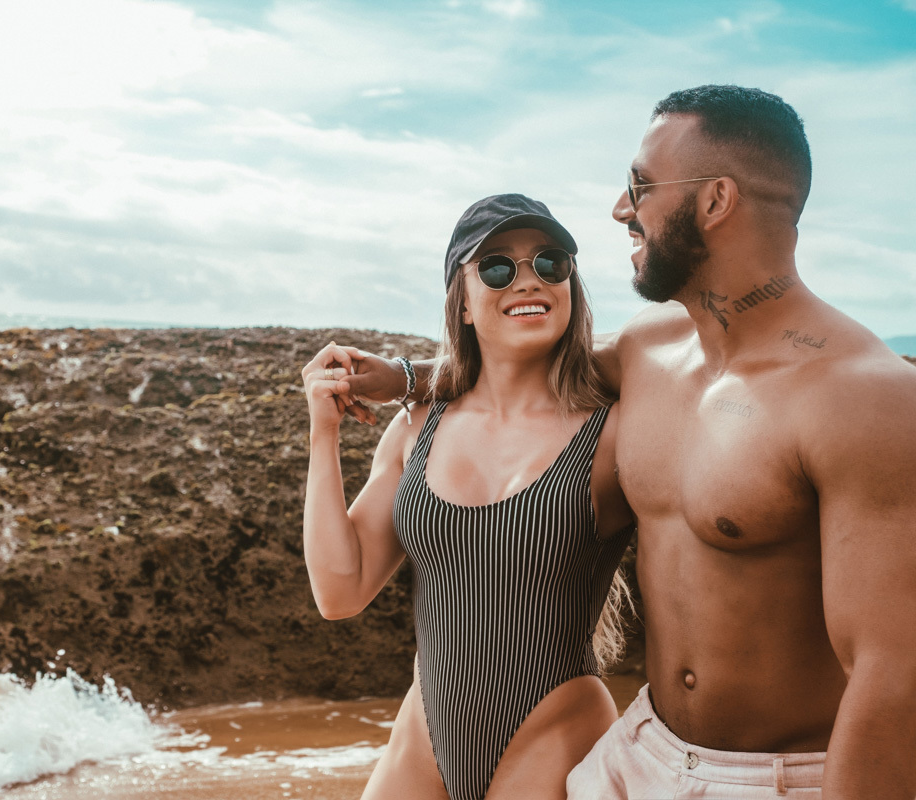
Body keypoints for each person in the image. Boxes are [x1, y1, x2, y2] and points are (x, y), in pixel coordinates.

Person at [333, 85, 916, 798]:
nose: (619, 209)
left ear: (715, 200)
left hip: (773, 779)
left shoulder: (865, 397)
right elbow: (521, 370)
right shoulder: (647, 353)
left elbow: (895, 679)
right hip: (639, 755)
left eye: (639, 187)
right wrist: (400, 377)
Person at [302, 193, 635, 800]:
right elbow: (339, 591)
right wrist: (323, 433)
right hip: (423, 735)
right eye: (498, 266)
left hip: (555, 731)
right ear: (462, 302)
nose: (527, 279)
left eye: (550, 262)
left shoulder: (615, 432)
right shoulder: (416, 427)